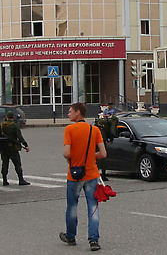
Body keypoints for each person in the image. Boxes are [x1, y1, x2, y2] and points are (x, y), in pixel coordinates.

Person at [60, 102, 106, 252]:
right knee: (93, 206)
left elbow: (66, 153)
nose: (68, 114)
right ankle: (94, 240)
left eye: (70, 111)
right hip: (92, 174)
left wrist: (74, 157)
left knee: (72, 206)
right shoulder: (95, 129)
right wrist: (90, 157)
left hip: (74, 175)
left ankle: (71, 236)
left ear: (78, 112)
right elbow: (103, 154)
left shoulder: (70, 129)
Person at [0, 112, 30, 186]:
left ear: (6, 117)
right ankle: (21, 179)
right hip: (13, 148)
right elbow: (19, 136)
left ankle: (4, 180)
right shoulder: (14, 126)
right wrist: (25, 145)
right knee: (17, 164)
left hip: (4, 148)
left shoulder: (2, 125)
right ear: (13, 117)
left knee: (5, 164)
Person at [94, 105, 118, 181]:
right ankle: (103, 175)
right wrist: (111, 140)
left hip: (94, 140)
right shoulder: (111, 122)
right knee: (103, 157)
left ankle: (94, 173)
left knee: (94, 156)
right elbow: (112, 132)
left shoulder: (101, 121)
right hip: (102, 140)